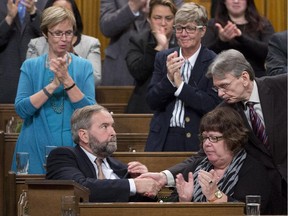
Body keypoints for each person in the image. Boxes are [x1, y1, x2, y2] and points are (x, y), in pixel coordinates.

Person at [141, 49, 287, 215]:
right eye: (217, 88)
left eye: (224, 86)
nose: (220, 94)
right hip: (268, 191)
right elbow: (201, 155)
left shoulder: (281, 86)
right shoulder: (225, 111)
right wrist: (164, 176)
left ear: (244, 78)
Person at [11, 6, 96, 174]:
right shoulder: (31, 66)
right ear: (45, 33)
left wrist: (67, 80)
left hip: (73, 150)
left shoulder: (84, 67)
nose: (64, 39)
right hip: (33, 146)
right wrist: (52, 85)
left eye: (68, 33)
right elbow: (21, 110)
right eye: (57, 33)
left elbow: (90, 113)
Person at [144, 2, 221, 151]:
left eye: (190, 28)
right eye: (179, 28)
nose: (184, 34)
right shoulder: (163, 57)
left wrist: (181, 87)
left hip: (196, 139)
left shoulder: (214, 61)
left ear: (202, 31)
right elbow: (151, 101)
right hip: (163, 138)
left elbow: (212, 105)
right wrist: (169, 80)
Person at [46, 104, 160, 202]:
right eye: (104, 126)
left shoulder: (122, 169)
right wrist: (134, 184)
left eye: (112, 126)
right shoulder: (62, 157)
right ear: (84, 135)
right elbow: (78, 188)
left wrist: (145, 183)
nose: (113, 132)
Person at [167, 107, 271, 214]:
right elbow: (168, 207)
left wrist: (215, 195)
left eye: (214, 138)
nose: (206, 144)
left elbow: (250, 210)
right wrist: (184, 201)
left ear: (232, 138)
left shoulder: (253, 170)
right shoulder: (196, 167)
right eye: (205, 137)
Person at [99, 0, 183, 85]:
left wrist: (159, 9)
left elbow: (183, 23)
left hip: (166, 67)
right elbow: (106, 28)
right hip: (120, 68)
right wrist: (133, 6)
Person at [26, 0, 102, 86]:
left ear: (75, 17)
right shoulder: (36, 44)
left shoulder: (90, 44)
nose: (62, 17)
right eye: (57, 13)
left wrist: (73, 56)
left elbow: (95, 79)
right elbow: (31, 80)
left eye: (67, 13)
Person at [125, 0, 178, 113]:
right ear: (149, 19)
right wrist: (159, 47)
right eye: (158, 18)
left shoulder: (182, 41)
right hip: (145, 104)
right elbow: (138, 73)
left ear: (174, 21)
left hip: (176, 103)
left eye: (168, 18)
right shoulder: (138, 40)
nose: (163, 23)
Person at [202, 0, 274, 77]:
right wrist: (222, 41)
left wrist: (241, 37)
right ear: (224, 1)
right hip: (221, 78)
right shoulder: (214, 24)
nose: (236, 1)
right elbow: (204, 54)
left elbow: (270, 52)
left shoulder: (262, 24)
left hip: (256, 79)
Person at [0, 0, 47, 103]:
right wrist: (9, 19)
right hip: (6, 80)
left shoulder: (45, 3)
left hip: (38, 79)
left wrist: (33, 12)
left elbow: (50, 36)